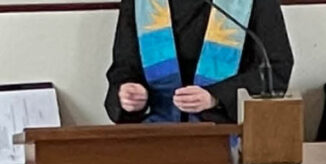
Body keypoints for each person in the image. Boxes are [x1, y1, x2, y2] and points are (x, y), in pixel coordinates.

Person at [105, 0, 292, 124]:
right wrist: (130, 94)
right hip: (154, 134)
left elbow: (276, 68)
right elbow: (124, 68)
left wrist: (217, 97)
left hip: (225, 134)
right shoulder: (141, 4)